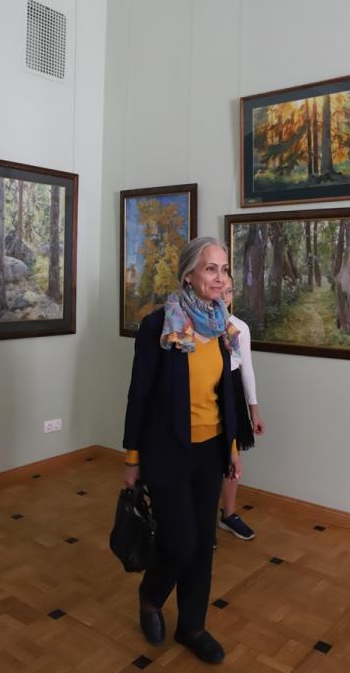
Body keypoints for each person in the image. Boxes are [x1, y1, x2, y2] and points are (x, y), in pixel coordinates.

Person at [123, 236, 242, 665]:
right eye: (211, 268)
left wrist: (232, 447)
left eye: (224, 269)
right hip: (166, 448)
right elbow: (139, 394)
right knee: (180, 540)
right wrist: (132, 459)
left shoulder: (223, 325)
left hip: (210, 449)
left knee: (203, 542)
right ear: (188, 275)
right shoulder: (160, 326)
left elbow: (227, 393)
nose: (220, 277)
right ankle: (151, 596)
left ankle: (192, 626)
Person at [218, 275, 265, 541]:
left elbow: (247, 368)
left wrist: (253, 409)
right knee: (205, 457)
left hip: (232, 389)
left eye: (229, 291)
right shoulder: (195, 325)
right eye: (220, 290)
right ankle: (200, 520)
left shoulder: (239, 328)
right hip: (208, 390)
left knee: (232, 454)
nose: (224, 296)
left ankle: (228, 514)